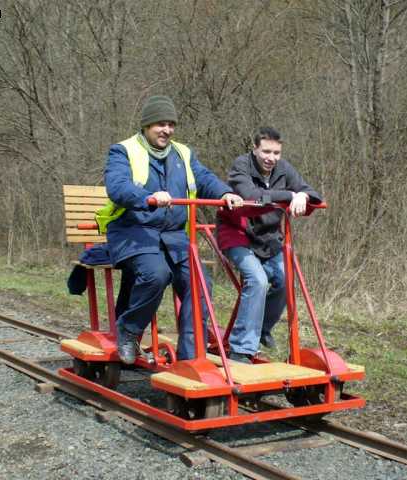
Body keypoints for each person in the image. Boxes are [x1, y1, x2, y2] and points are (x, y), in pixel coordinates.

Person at [103, 95, 243, 363]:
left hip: (175, 236)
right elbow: (117, 186)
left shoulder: (183, 153)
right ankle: (129, 330)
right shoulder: (123, 151)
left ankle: (191, 357)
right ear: (146, 125)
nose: (166, 130)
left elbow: (204, 178)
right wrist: (147, 197)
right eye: (160, 124)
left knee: (200, 282)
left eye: (171, 124)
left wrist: (225, 193)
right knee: (156, 274)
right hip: (134, 232)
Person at [216, 127, 322, 363]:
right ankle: (242, 348)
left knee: (285, 278)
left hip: (267, 237)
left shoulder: (283, 169)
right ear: (255, 149)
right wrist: (289, 195)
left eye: (276, 153)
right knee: (258, 280)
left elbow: (313, 193)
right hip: (237, 232)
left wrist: (303, 196)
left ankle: (261, 327)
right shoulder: (241, 166)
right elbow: (251, 195)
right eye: (266, 151)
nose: (270, 158)